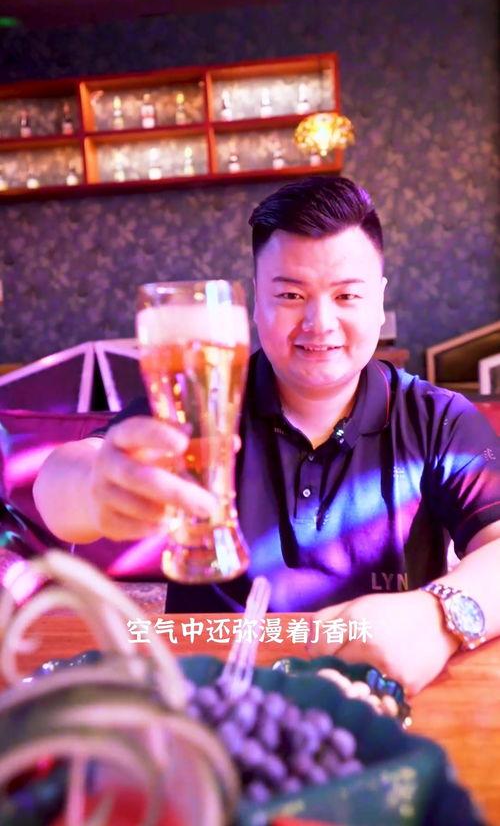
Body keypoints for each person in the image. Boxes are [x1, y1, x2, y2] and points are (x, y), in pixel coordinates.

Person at [33, 175, 500, 693]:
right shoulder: (200, 404)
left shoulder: (438, 419)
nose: (320, 323)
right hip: (213, 694)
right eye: (291, 295)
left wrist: (439, 616)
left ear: (379, 299)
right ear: (256, 302)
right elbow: (59, 484)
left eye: (347, 295)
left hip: (377, 694)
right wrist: (96, 485)